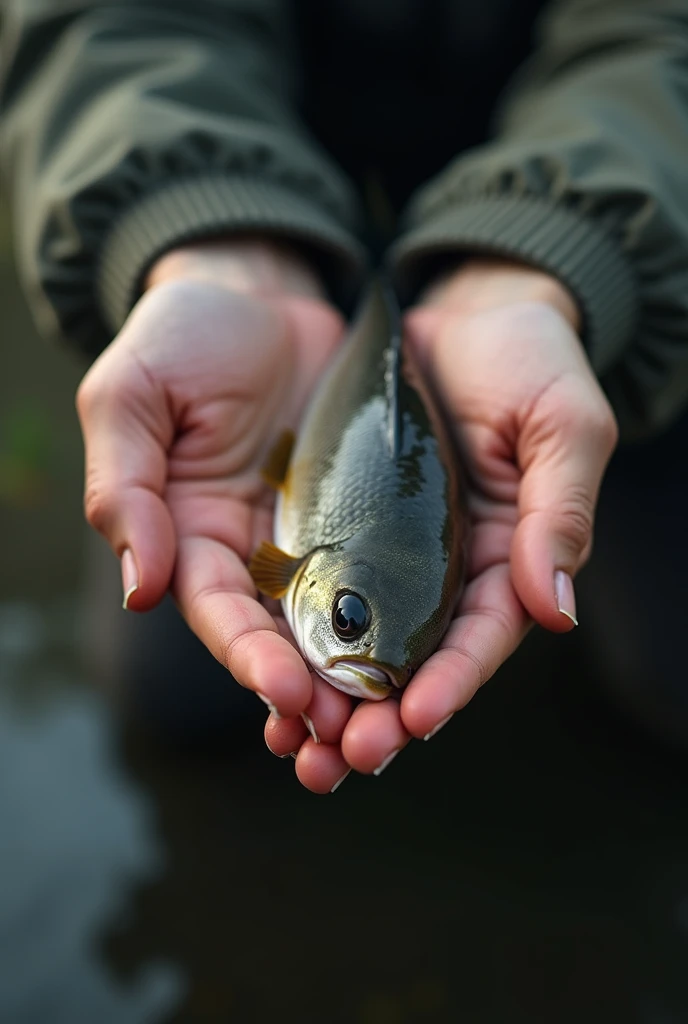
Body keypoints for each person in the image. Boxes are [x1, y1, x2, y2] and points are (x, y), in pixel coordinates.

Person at [1, 0, 687, 793]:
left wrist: (562, 259)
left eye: (361, 629)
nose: (371, 665)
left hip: (624, 244)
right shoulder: (282, 566)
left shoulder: (284, 572)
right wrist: (202, 236)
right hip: (260, 156)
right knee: (168, 692)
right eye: (352, 621)